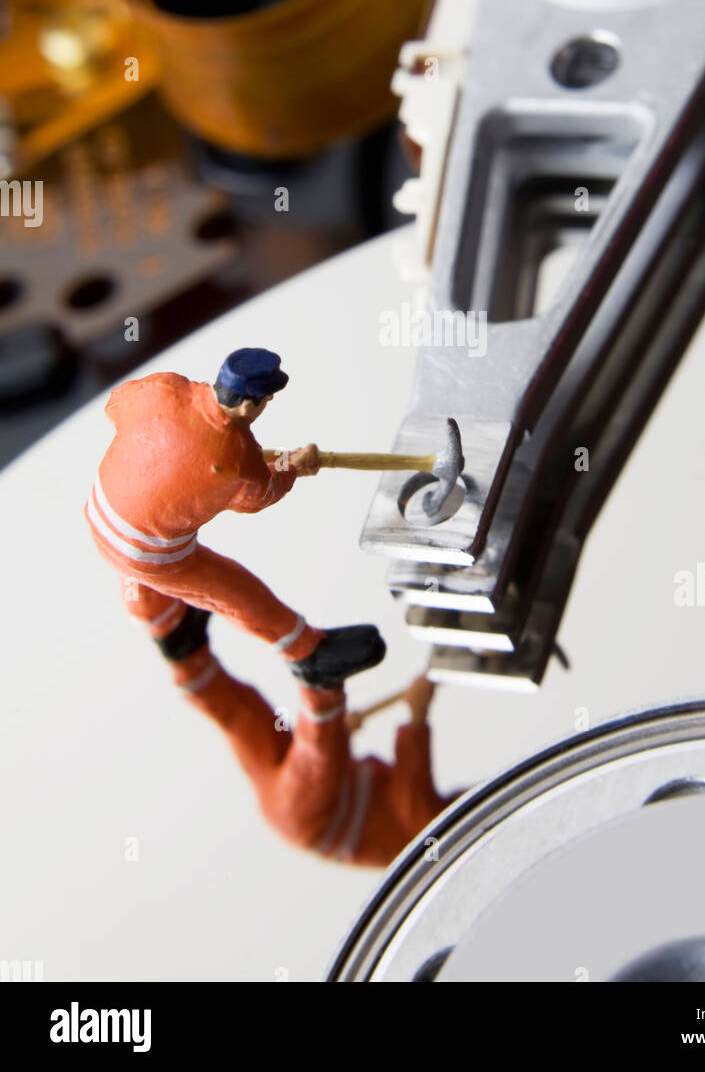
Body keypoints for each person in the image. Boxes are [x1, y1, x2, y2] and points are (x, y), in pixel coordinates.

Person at [86, 346, 384, 688]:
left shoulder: (165, 389)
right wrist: (296, 466)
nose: (266, 406)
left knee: (140, 569)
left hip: (98, 514)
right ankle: (309, 654)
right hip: (148, 554)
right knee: (232, 588)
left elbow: (116, 405)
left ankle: (169, 627)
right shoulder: (236, 457)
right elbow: (261, 495)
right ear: (247, 404)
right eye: (266, 400)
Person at [166, 609, 457, 867]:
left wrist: (417, 718)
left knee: (313, 758)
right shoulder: (429, 826)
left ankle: (321, 686)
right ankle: (186, 655)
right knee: (247, 719)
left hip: (307, 815)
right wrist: (342, 734)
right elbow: (348, 781)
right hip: (291, 804)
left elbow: (410, 797)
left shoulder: (432, 838)